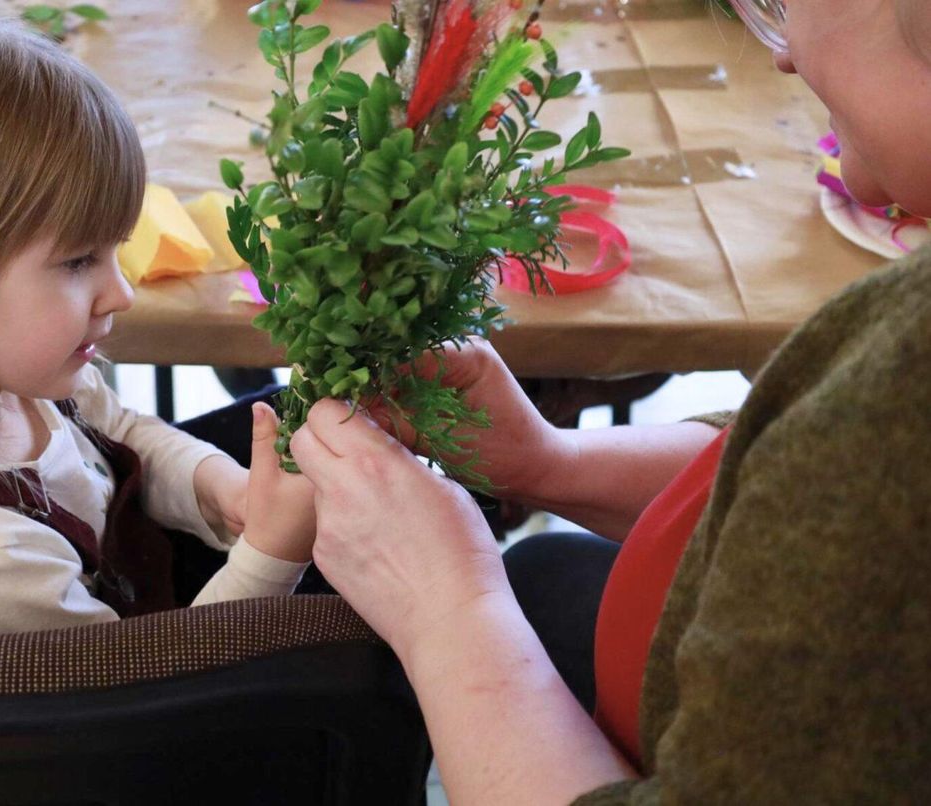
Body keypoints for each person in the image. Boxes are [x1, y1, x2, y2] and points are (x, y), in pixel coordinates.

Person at [289, 0, 931, 802]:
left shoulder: (901, 404)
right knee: (549, 570)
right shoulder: (885, 382)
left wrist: (446, 612)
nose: (784, 55)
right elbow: (789, 463)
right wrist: (552, 462)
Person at [0, 15, 315, 634]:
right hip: (139, 697)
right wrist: (273, 558)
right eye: (77, 260)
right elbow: (139, 701)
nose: (120, 293)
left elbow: (113, 430)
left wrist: (216, 487)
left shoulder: (0, 368)